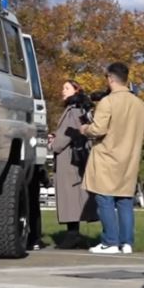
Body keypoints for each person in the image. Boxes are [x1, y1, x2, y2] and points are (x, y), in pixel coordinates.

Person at [80, 63, 144, 255]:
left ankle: (110, 241)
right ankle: (126, 243)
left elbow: (98, 129)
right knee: (125, 200)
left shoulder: (108, 102)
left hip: (107, 156)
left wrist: (85, 129)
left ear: (110, 78)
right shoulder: (140, 104)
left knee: (104, 198)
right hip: (130, 158)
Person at [48, 80, 98, 248]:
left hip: (69, 159)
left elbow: (66, 136)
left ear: (76, 90)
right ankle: (73, 234)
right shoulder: (79, 109)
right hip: (73, 157)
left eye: (67, 88)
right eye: (63, 87)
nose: (63, 90)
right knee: (72, 196)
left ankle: (72, 235)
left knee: (69, 196)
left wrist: (53, 145)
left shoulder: (73, 110)